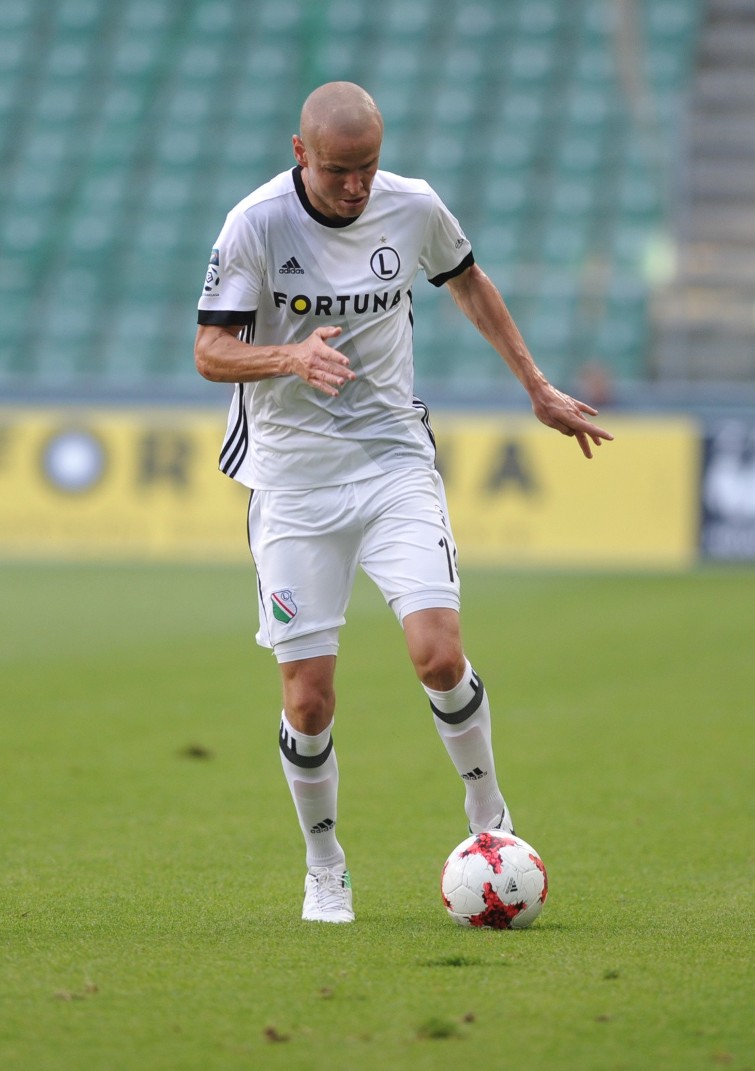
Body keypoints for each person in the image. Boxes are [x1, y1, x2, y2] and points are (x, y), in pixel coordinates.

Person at [195, 81, 612, 924]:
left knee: (438, 653)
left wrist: (535, 386)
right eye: (340, 170)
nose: (357, 186)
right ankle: (325, 865)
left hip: (392, 462)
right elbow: (209, 350)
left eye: (369, 167)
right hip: (293, 480)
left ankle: (489, 815)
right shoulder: (256, 224)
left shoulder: (412, 207)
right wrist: (288, 357)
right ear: (300, 152)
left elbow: (469, 282)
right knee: (308, 701)